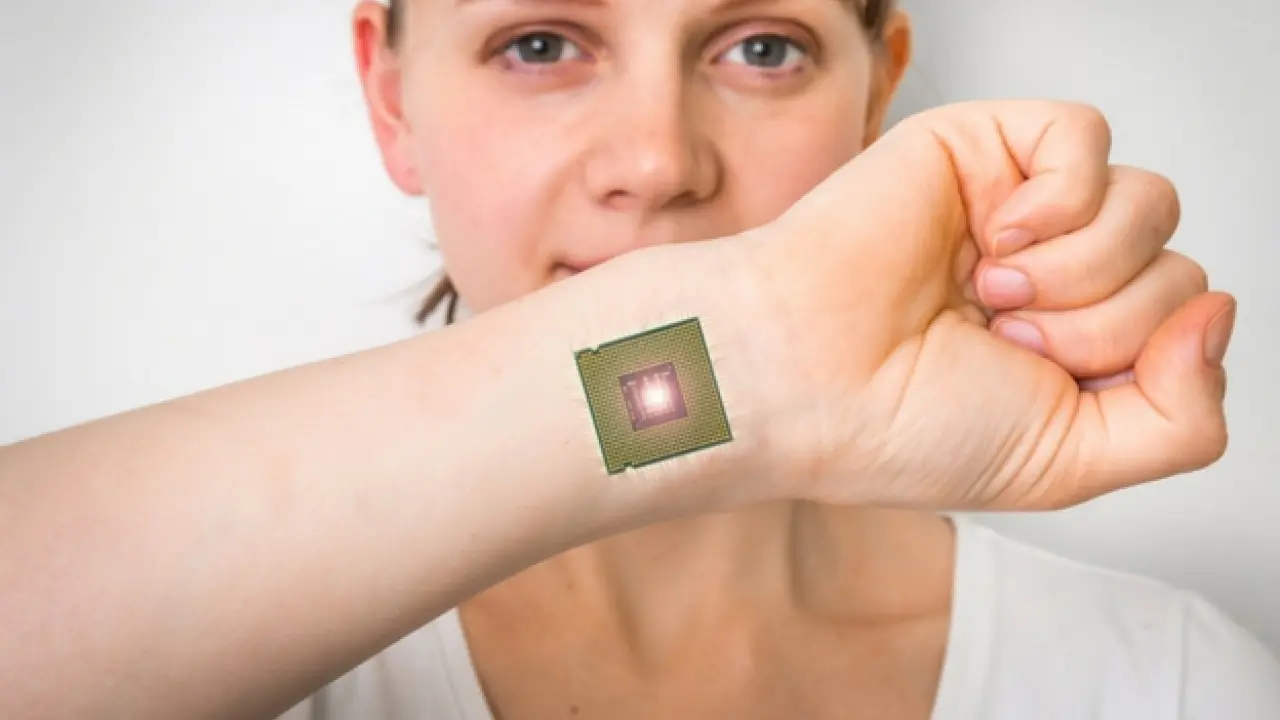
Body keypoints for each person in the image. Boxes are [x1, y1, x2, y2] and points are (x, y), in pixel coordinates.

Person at [1, 0, 1277, 718]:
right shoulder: (223, 668)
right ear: (392, 101)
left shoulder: (1164, 685)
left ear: (876, 97)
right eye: (540, 43)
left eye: (761, 48)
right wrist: (748, 358)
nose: (659, 161)